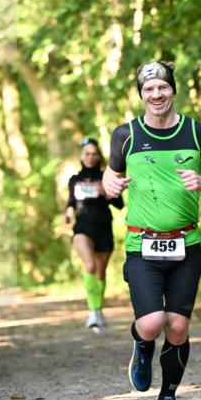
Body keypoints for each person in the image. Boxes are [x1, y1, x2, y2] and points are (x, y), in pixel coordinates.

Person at [102, 61, 201, 400]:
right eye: (148, 90)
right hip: (141, 245)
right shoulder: (124, 134)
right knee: (151, 323)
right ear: (141, 96)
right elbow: (109, 179)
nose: (156, 95)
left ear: (173, 91)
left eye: (162, 88)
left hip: (186, 245)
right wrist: (108, 186)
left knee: (177, 326)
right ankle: (142, 347)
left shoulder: (197, 132)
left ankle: (167, 399)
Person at [65, 137, 124, 332]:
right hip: (82, 227)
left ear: (99, 156)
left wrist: (106, 192)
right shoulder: (74, 180)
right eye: (87, 154)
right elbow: (71, 202)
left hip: (103, 227)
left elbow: (119, 204)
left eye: (94, 154)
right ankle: (92, 312)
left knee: (100, 272)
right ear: (81, 156)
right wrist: (68, 213)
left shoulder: (106, 177)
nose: (90, 157)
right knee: (89, 265)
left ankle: (98, 311)